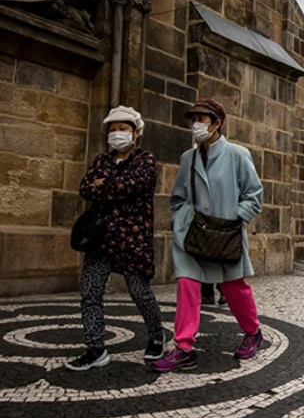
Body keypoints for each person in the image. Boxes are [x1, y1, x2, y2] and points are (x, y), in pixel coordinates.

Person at [154, 99, 263, 373]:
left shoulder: (238, 154)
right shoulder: (187, 158)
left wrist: (236, 216)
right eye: (195, 119)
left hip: (225, 234)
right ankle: (184, 347)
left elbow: (254, 194)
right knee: (187, 285)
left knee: (233, 287)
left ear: (217, 123)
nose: (197, 124)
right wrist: (182, 220)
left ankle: (253, 332)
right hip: (193, 234)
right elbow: (178, 196)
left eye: (204, 119)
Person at [66, 107, 165, 372]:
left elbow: (132, 184)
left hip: (132, 238)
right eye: (112, 129)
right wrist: (107, 185)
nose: (117, 133)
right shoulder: (101, 160)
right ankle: (95, 348)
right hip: (100, 238)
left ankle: (156, 335)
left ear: (136, 132)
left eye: (123, 128)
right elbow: (86, 188)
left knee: (139, 291)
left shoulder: (146, 160)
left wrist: (104, 185)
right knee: (90, 293)